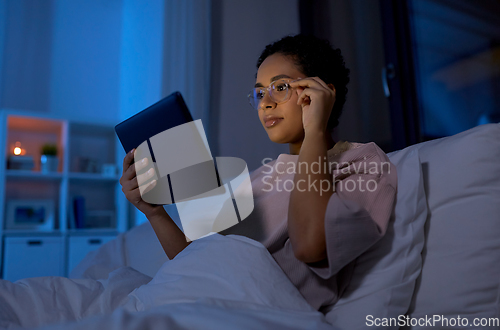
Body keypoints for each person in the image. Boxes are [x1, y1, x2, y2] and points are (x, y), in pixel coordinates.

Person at [119, 34, 397, 314]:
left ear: (322, 92)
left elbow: (311, 246)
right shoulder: (257, 177)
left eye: (280, 87)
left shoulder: (361, 162)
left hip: (253, 312)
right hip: (194, 302)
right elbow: (194, 263)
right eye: (260, 92)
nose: (265, 103)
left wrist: (315, 130)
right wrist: (154, 212)